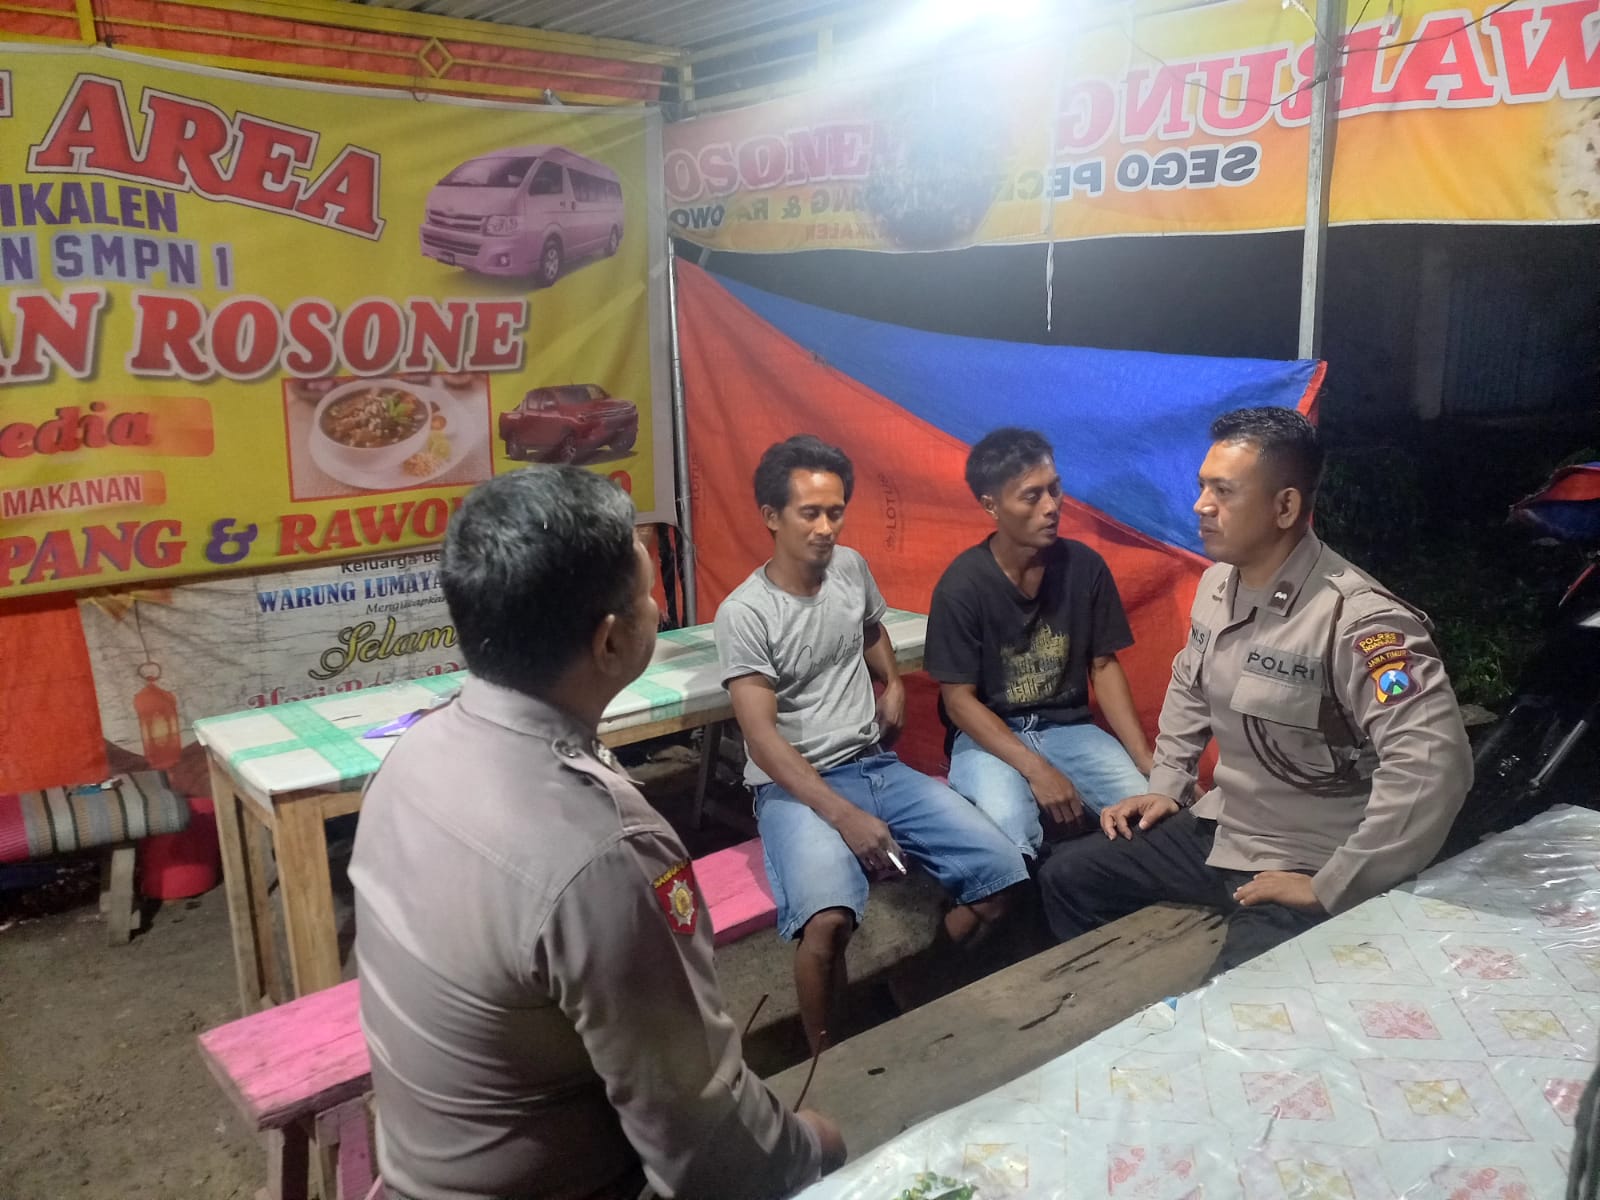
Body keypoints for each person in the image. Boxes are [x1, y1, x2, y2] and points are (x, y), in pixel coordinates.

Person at [350, 466, 843, 1200]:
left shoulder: (414, 752)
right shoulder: (601, 850)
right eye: (648, 593)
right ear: (611, 641)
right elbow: (704, 1149)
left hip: (424, 1163)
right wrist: (814, 1145)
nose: (655, 606)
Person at [1039, 407, 1472, 972]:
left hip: (1311, 857)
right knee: (1067, 876)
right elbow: (1189, 687)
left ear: (1285, 506)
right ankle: (1101, 1024)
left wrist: (1335, 884)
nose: (1201, 505)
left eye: (1223, 490)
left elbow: (1433, 768)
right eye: (1202, 486)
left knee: (1238, 1007)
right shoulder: (1219, 583)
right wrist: (1168, 785)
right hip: (1224, 829)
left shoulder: (1361, 624)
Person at [715, 435, 1030, 1054]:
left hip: (877, 766)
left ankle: (915, 990)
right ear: (771, 516)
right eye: (810, 512)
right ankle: (832, 1063)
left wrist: (890, 682)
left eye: (836, 510)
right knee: (828, 922)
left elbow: (870, 627)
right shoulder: (746, 613)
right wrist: (846, 818)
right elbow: (762, 739)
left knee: (1005, 877)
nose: (827, 526)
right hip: (796, 786)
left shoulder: (850, 568)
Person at [926, 428, 1153, 859]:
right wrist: (1037, 770)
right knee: (1006, 832)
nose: (1051, 507)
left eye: (1055, 489)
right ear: (991, 505)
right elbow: (958, 701)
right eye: (1032, 496)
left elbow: (1103, 666)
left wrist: (1144, 757)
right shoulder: (962, 584)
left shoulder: (1084, 567)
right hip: (987, 735)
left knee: (1147, 810)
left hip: (1068, 727)